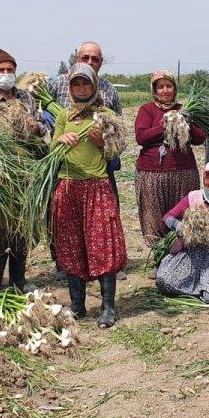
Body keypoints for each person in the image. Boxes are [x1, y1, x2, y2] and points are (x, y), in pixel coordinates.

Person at [48, 63, 129, 328]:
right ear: (70, 87)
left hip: (97, 186)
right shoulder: (64, 115)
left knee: (102, 243)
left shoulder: (105, 115)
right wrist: (61, 141)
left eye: (86, 83)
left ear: (94, 86)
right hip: (68, 186)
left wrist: (100, 142)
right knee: (72, 244)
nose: (81, 89)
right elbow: (51, 149)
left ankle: (107, 307)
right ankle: (77, 305)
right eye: (76, 84)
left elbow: (115, 152)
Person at [0, 46, 46, 293]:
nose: (6, 74)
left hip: (24, 172)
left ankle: (19, 279)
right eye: (1, 70)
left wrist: (35, 128)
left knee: (22, 225)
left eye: (10, 70)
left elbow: (42, 131)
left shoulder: (26, 98)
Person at [155, 160, 209, 303]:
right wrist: (180, 227)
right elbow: (168, 217)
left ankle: (206, 287)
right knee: (164, 281)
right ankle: (200, 288)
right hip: (192, 252)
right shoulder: (193, 196)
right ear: (203, 177)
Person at [134, 71, 206, 246]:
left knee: (182, 216)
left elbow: (200, 138)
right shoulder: (147, 109)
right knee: (154, 218)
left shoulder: (185, 110)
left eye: (169, 86)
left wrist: (187, 122)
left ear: (175, 88)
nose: (165, 90)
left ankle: (179, 253)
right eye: (160, 87)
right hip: (151, 173)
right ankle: (159, 254)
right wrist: (165, 124)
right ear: (154, 89)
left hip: (183, 172)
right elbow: (141, 137)